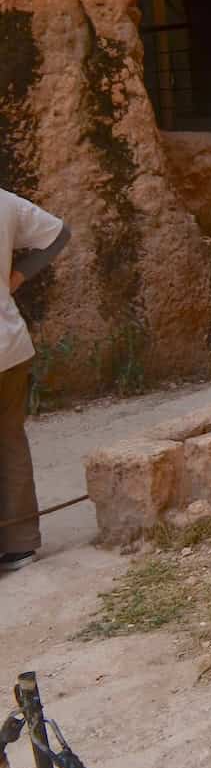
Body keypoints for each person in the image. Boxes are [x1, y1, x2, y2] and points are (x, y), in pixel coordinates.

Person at [1, 189, 71, 572]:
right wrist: (16, 277)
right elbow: (59, 233)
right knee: (11, 440)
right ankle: (20, 545)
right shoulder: (4, 202)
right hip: (10, 345)